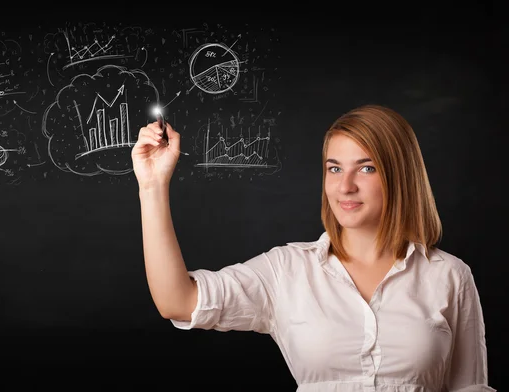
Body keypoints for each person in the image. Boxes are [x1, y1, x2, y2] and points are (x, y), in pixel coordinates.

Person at [131, 104, 495, 391]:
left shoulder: (449, 276)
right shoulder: (287, 270)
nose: (345, 186)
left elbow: (469, 387)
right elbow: (177, 301)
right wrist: (152, 186)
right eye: (334, 169)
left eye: (366, 169)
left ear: (399, 176)